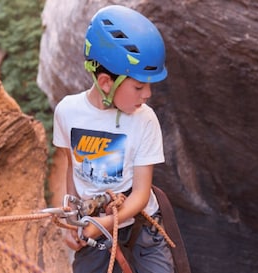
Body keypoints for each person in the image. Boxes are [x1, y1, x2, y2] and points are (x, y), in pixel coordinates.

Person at [52, 4, 174, 273]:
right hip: (94, 223)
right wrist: (74, 220)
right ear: (106, 83)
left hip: (141, 226)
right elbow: (73, 169)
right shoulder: (68, 112)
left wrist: (106, 224)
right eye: (139, 86)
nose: (147, 95)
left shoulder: (145, 119)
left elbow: (141, 193)